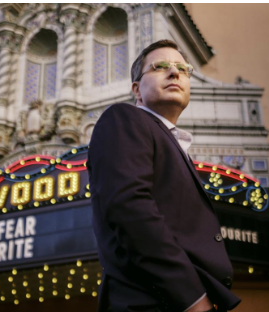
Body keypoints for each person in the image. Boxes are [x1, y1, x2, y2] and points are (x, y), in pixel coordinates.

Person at [87, 40, 241, 312]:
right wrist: (194, 300)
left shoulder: (172, 143)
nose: (174, 73)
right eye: (159, 67)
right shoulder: (123, 118)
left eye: (183, 68)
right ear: (137, 90)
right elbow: (130, 209)